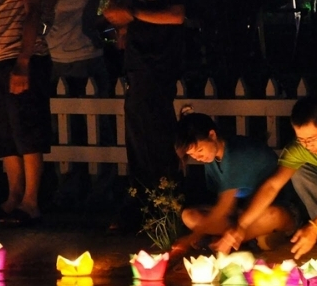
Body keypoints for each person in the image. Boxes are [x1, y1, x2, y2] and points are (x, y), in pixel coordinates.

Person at [217, 97, 317, 259]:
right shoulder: (300, 148)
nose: (308, 145)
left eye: (312, 139)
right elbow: (273, 185)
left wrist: (314, 227)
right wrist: (241, 225)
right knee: (300, 170)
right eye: (302, 140)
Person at [169, 108, 299, 256]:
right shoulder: (211, 160)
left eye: (199, 150)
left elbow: (224, 205)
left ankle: (229, 239)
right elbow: (225, 207)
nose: (198, 157)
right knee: (189, 215)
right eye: (192, 154)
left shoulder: (237, 153)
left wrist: (191, 237)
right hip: (241, 213)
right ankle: (249, 238)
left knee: (272, 215)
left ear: (212, 135)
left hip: (279, 208)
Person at [103, 0, 185, 232]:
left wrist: (131, 13)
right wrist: (124, 29)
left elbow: (176, 14)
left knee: (154, 135)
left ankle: (157, 204)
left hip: (156, 65)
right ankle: (145, 203)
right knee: (138, 136)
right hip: (140, 63)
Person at [0, 0, 52, 227]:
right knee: (4, 132)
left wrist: (23, 60)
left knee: (27, 129)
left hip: (23, 57)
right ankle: (14, 196)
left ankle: (31, 202)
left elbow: (33, 13)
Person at [46, 0, 117, 211]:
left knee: (96, 125)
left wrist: (95, 27)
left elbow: (112, 9)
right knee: (64, 128)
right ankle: (69, 189)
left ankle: (101, 189)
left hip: (87, 56)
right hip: (57, 56)